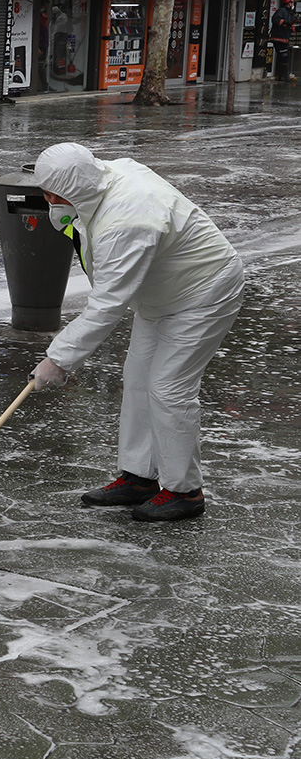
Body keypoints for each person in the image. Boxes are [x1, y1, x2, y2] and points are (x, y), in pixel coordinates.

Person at [31, 143, 244, 522]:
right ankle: (139, 477)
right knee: (138, 380)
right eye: (44, 192)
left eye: (52, 195)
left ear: (72, 189)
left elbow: (108, 303)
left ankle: (184, 491)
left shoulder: (128, 219)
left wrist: (58, 358)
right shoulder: (100, 180)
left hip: (204, 290)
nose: (48, 201)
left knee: (168, 387)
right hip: (160, 293)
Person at [270, 0, 294, 81]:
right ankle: (284, 76)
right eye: (291, 3)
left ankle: (280, 75)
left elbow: (290, 26)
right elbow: (276, 20)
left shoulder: (288, 13)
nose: (292, 5)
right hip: (279, 38)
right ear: (287, 3)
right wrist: (286, 23)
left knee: (282, 57)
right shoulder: (281, 11)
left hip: (284, 38)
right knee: (284, 57)